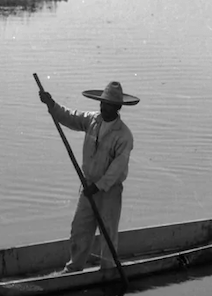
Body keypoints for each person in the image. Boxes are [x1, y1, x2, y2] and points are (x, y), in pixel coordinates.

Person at [38, 79, 138, 272]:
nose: (103, 107)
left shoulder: (124, 135)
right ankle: (74, 268)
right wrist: (51, 105)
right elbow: (70, 117)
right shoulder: (92, 120)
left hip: (108, 190)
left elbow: (117, 169)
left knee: (108, 233)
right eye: (102, 103)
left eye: (108, 104)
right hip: (88, 185)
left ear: (117, 107)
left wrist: (99, 186)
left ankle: (108, 271)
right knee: (80, 229)